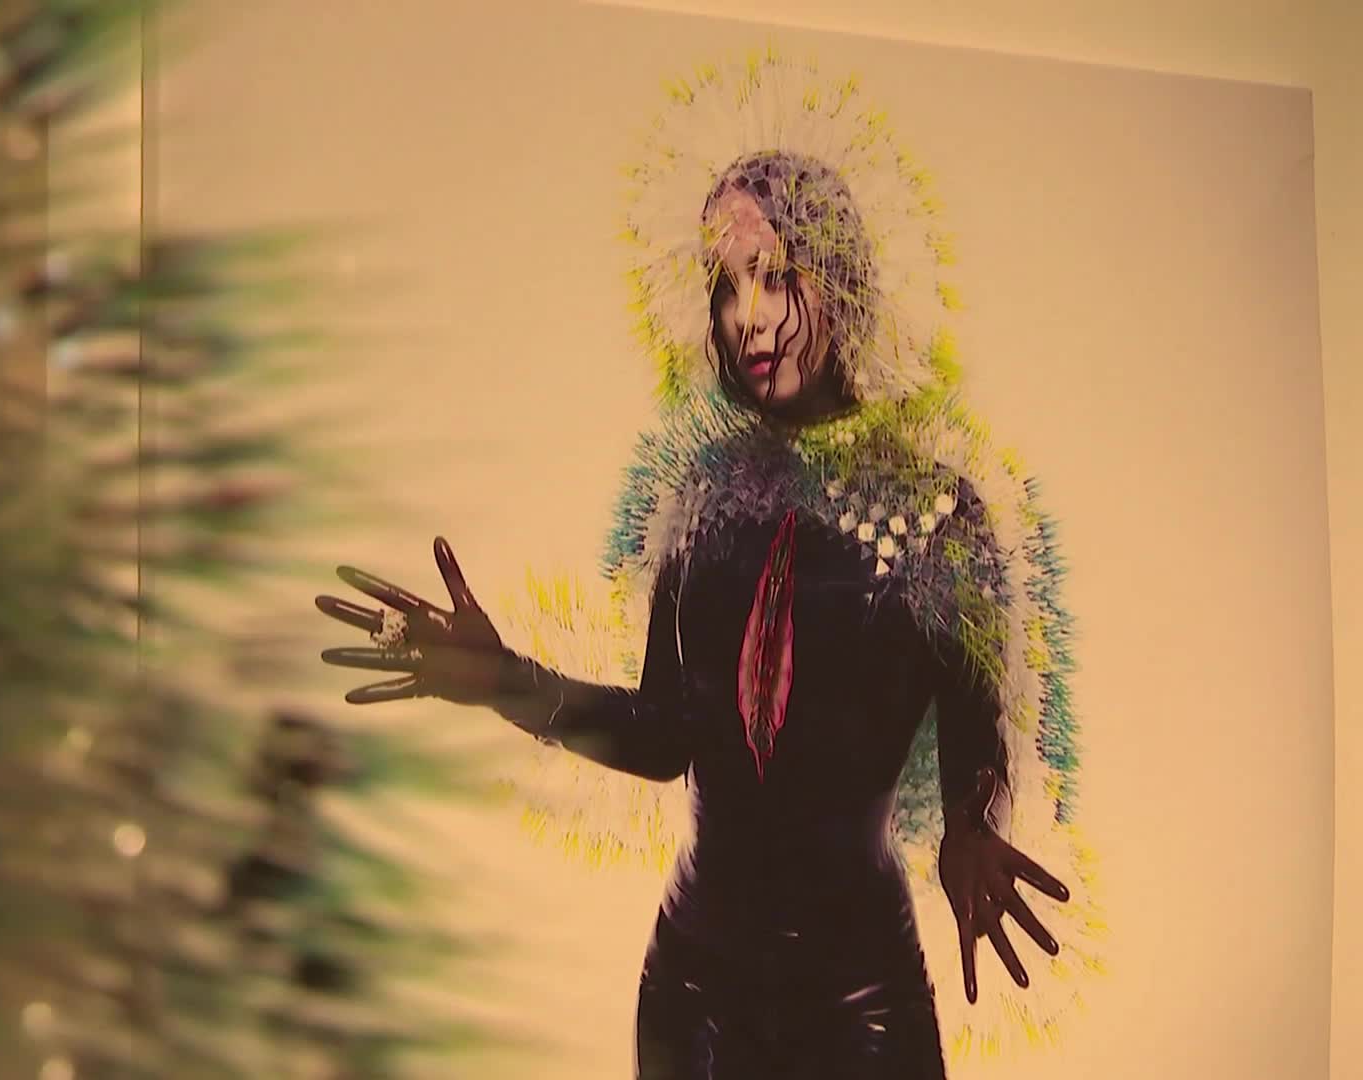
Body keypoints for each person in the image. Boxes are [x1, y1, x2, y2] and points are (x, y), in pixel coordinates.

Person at [317, 56, 1092, 1079]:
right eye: (725, 286)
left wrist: (973, 830)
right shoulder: (703, 502)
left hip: (859, 999)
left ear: (841, 281)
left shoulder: (938, 513)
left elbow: (979, 738)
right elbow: (664, 735)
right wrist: (505, 680)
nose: (749, 316)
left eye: (776, 275)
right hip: (694, 996)